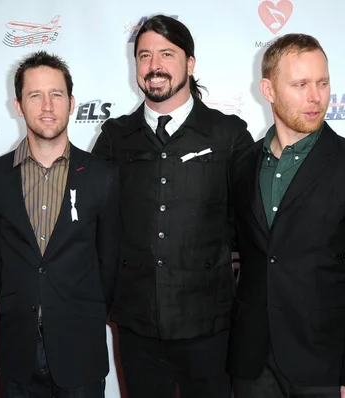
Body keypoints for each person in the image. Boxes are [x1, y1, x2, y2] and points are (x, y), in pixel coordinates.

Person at [92, 15, 253, 398]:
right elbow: (84, 211)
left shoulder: (228, 134)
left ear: (190, 63)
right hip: (136, 326)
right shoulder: (115, 137)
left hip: (210, 326)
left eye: (167, 53)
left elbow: (255, 219)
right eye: (144, 55)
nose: (154, 65)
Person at [227, 33, 345, 398]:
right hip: (251, 362)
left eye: (322, 83)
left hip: (326, 366)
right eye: (300, 85)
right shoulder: (242, 164)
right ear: (268, 90)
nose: (316, 97)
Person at [0, 51, 121, 397]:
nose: (46, 106)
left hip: (80, 348)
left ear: (71, 103)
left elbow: (110, 262)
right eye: (35, 95)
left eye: (56, 95)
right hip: (18, 349)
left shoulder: (103, 176)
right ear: (18, 105)